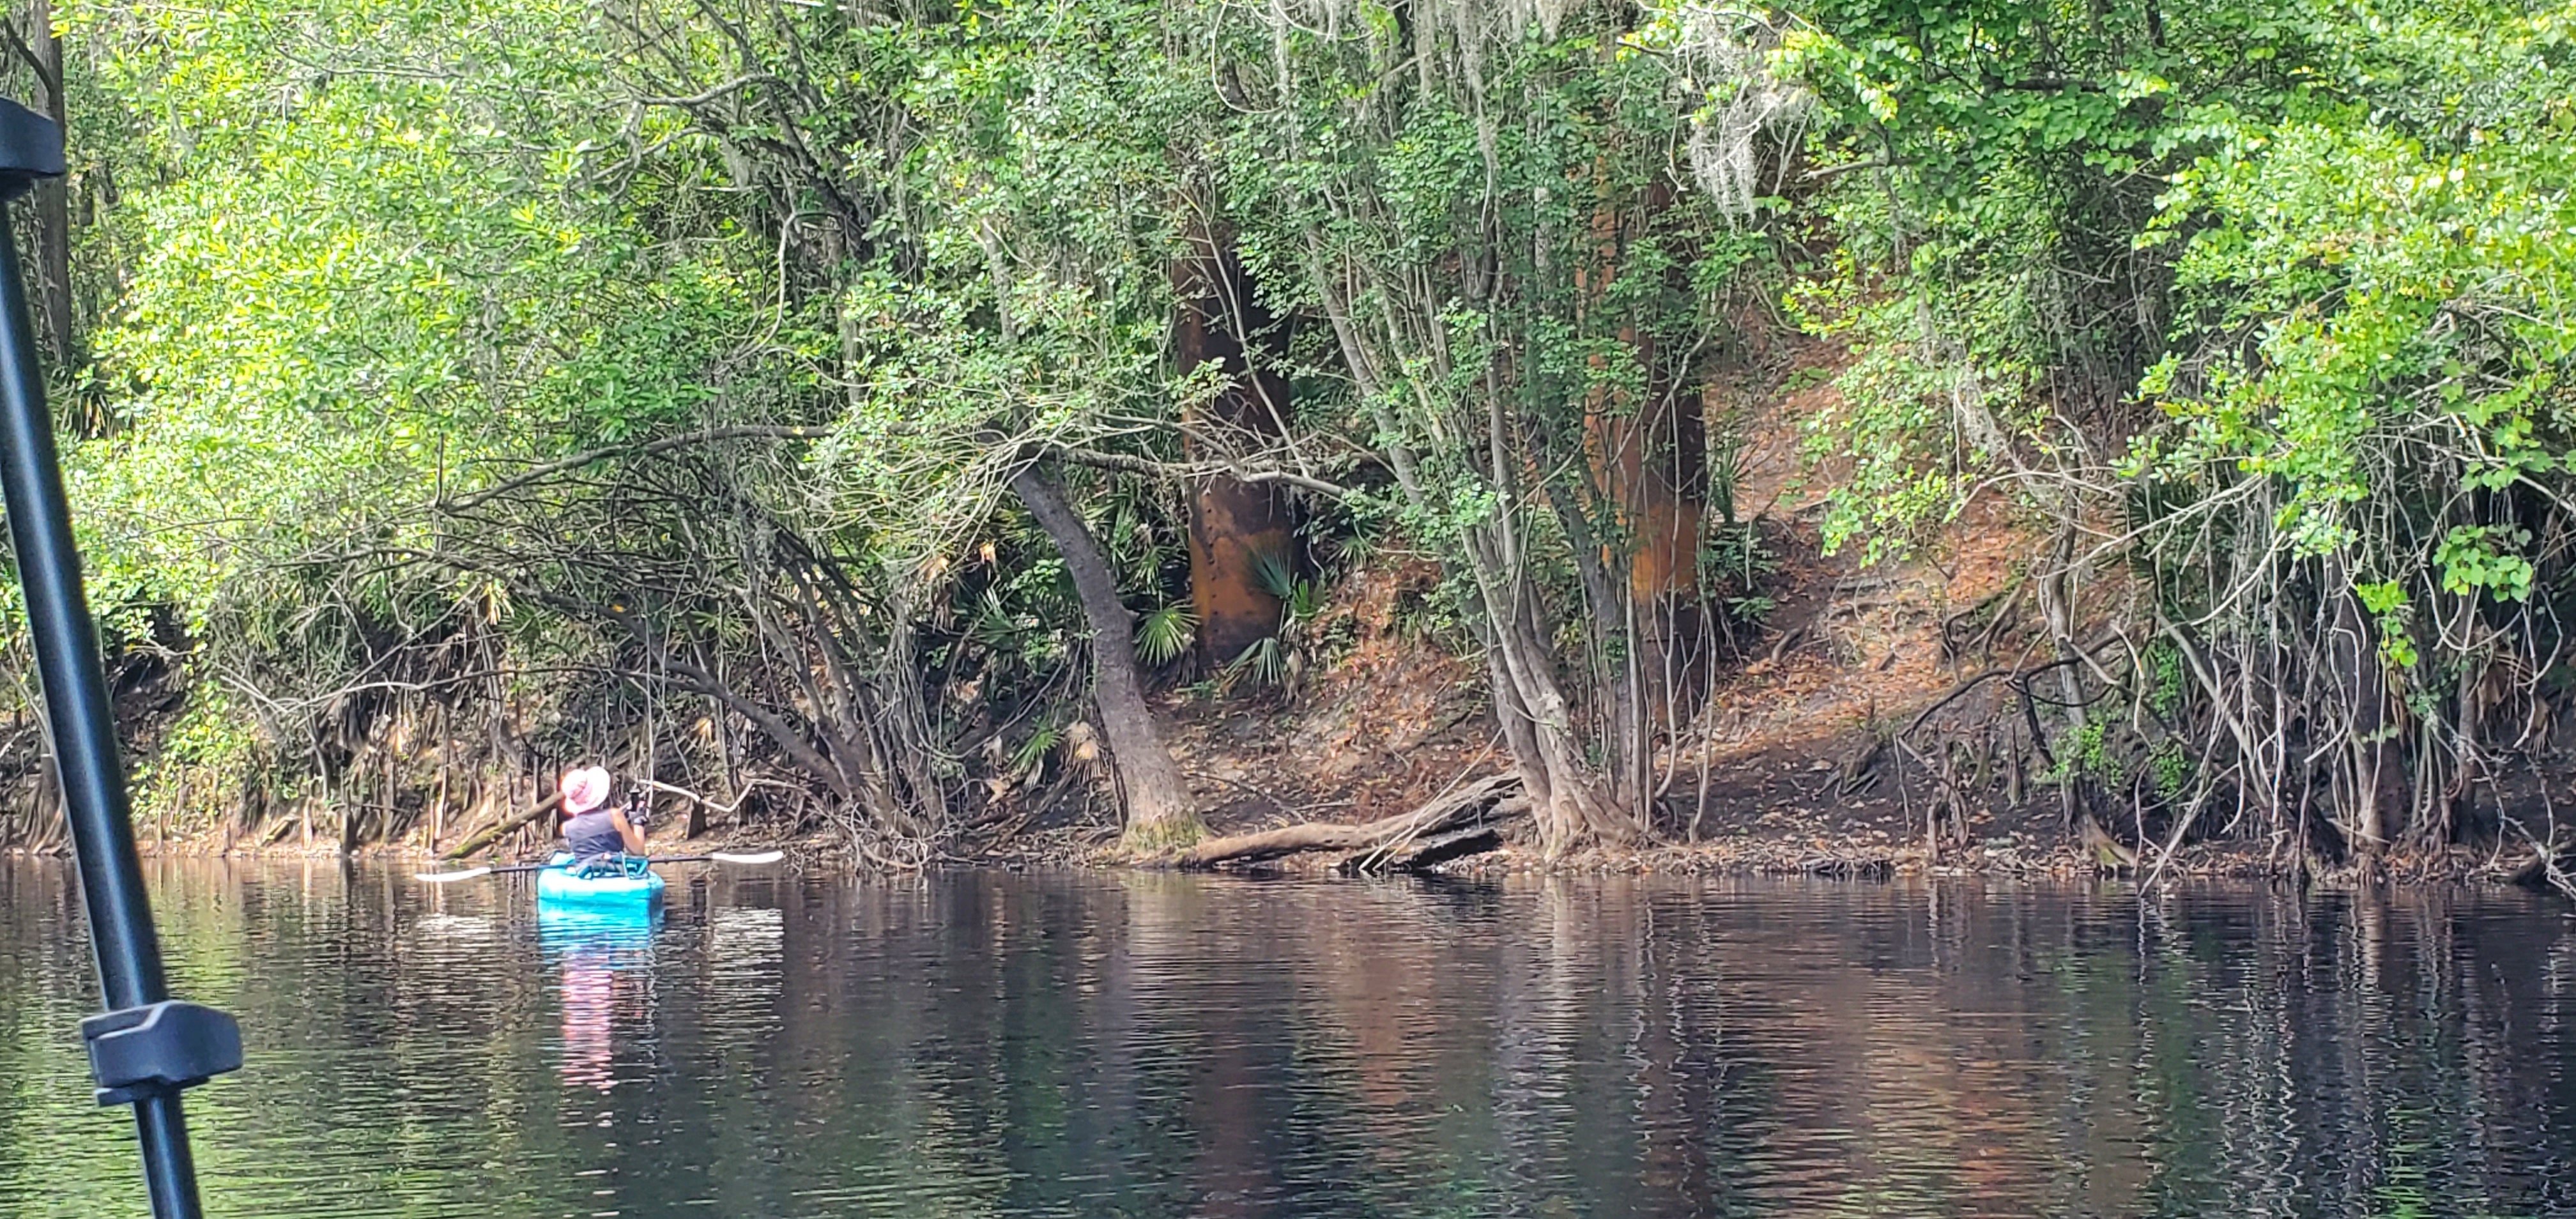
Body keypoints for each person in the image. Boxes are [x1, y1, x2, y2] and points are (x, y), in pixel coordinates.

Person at [558, 765, 644, 873]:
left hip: (585, 876)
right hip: (614, 873)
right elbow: (638, 850)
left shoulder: (567, 828)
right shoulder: (615, 815)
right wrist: (638, 819)